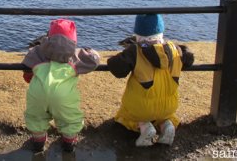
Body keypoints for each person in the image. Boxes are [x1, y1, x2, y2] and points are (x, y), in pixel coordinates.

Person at [107, 14, 194, 147]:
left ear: (137, 35)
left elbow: (117, 68)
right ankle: (166, 125)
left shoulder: (135, 51)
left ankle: (144, 127)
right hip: (168, 106)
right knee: (164, 116)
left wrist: (113, 58)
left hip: (141, 108)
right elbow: (189, 59)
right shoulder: (176, 49)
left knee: (127, 116)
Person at [22, 19, 100, 153]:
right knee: (69, 119)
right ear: (73, 40)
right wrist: (89, 51)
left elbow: (26, 64)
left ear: (49, 36)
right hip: (63, 96)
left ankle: (38, 141)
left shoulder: (38, 51)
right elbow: (94, 60)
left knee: (36, 117)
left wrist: (29, 75)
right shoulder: (75, 55)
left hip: (37, 93)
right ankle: (69, 143)